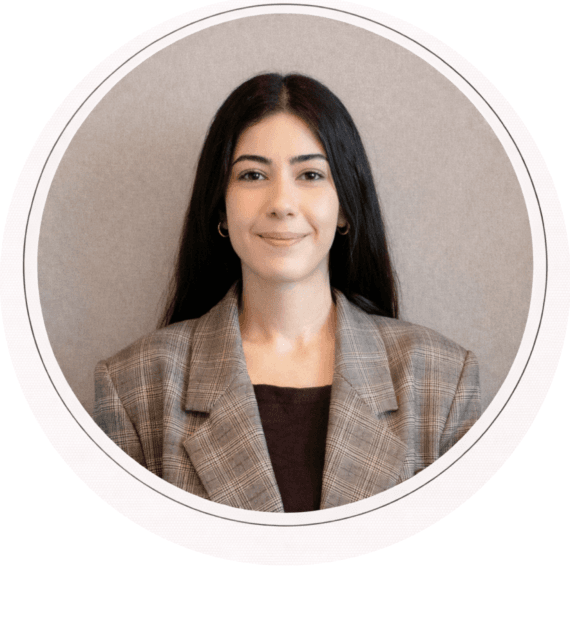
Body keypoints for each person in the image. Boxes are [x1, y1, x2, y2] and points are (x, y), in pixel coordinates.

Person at [94, 73, 481, 513]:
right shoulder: (135, 386)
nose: (281, 203)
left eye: (310, 174)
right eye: (253, 174)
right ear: (221, 209)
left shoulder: (441, 380)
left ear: (345, 208)